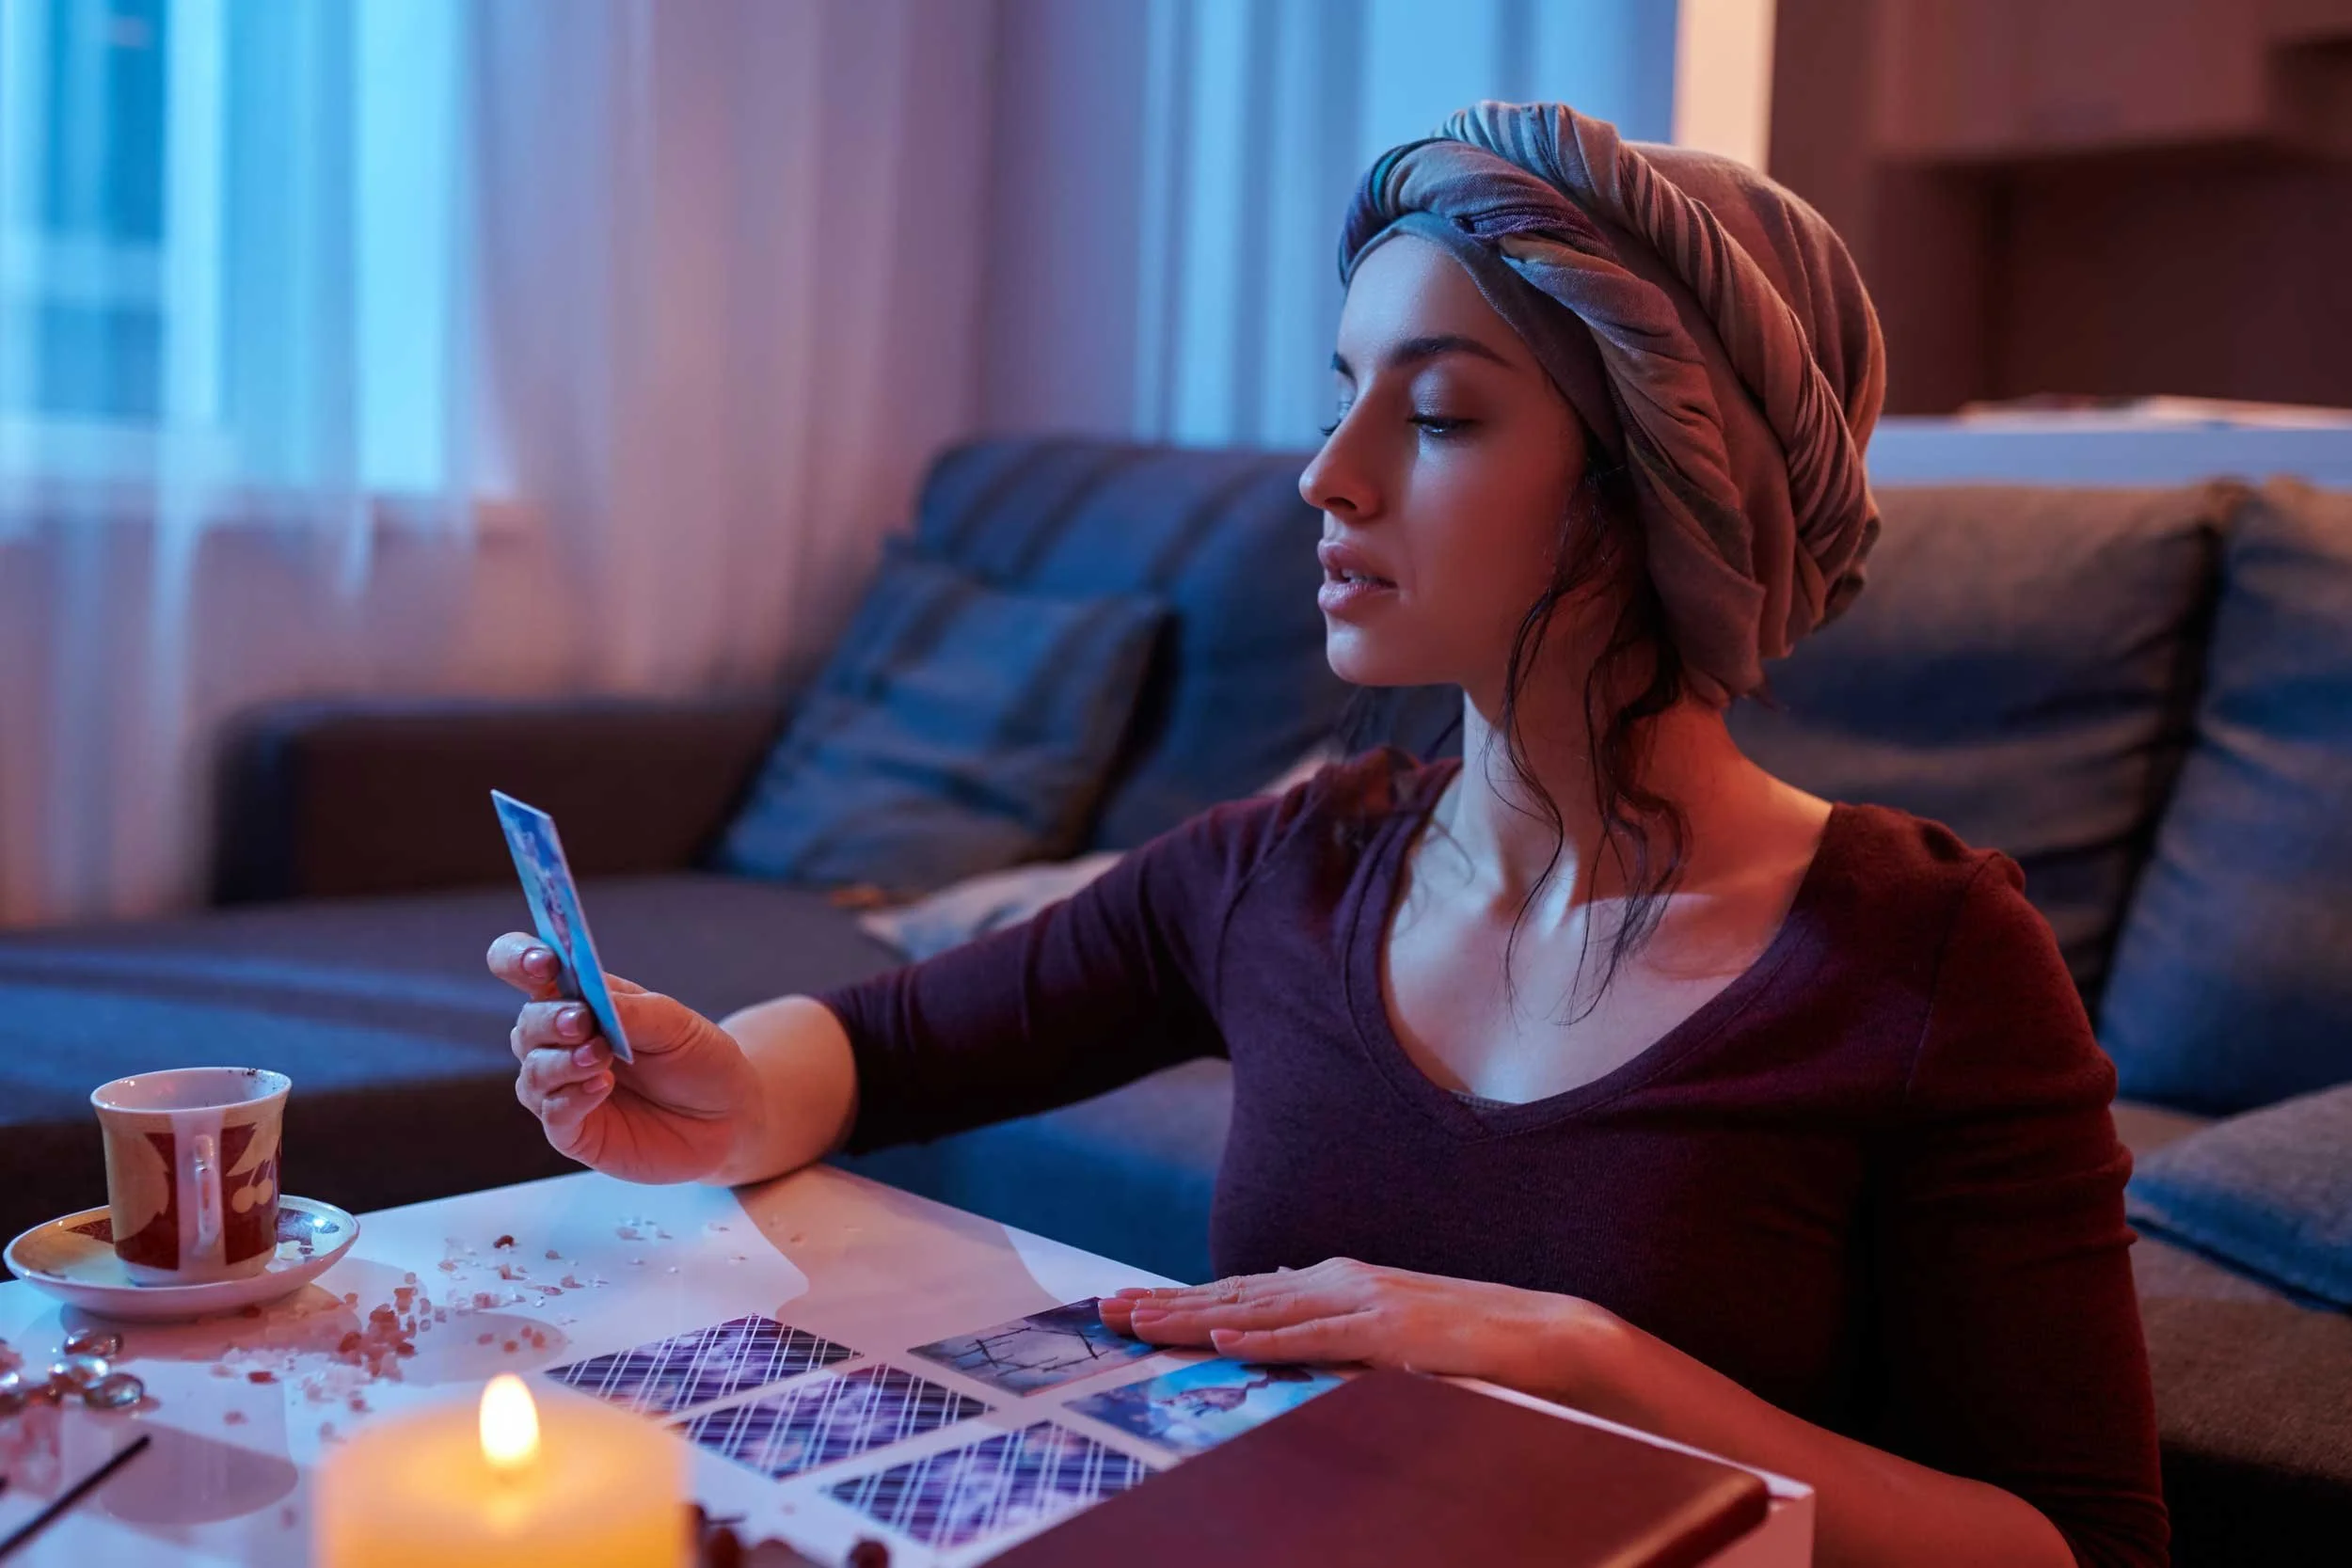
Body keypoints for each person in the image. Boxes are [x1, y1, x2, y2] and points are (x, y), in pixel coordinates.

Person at [489, 103, 2166, 1568]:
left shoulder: (1925, 962)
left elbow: (2076, 1542)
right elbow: (887, 1048)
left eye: (1436, 415)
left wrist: (1593, 1362)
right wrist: (701, 1092)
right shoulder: (1290, 864)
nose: (1326, 476)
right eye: (1344, 395)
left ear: (1673, 481)